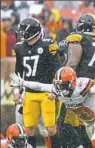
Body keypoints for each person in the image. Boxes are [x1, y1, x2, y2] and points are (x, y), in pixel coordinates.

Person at [10, 67, 95, 148]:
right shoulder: (58, 90)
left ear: (73, 83)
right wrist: (24, 83)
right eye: (58, 85)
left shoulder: (81, 86)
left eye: (63, 85)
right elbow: (40, 86)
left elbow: (94, 89)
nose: (60, 89)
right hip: (87, 122)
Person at [58, 13, 95, 148]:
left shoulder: (78, 38)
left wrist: (61, 78)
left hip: (81, 84)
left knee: (65, 123)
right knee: (84, 123)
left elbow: (72, 63)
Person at [12, 17, 60, 148]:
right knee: (29, 129)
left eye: (24, 31)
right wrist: (16, 91)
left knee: (51, 129)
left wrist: (56, 90)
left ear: (32, 32)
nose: (21, 34)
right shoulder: (19, 48)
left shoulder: (48, 46)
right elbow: (17, 73)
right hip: (29, 93)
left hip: (47, 92)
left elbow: (57, 71)